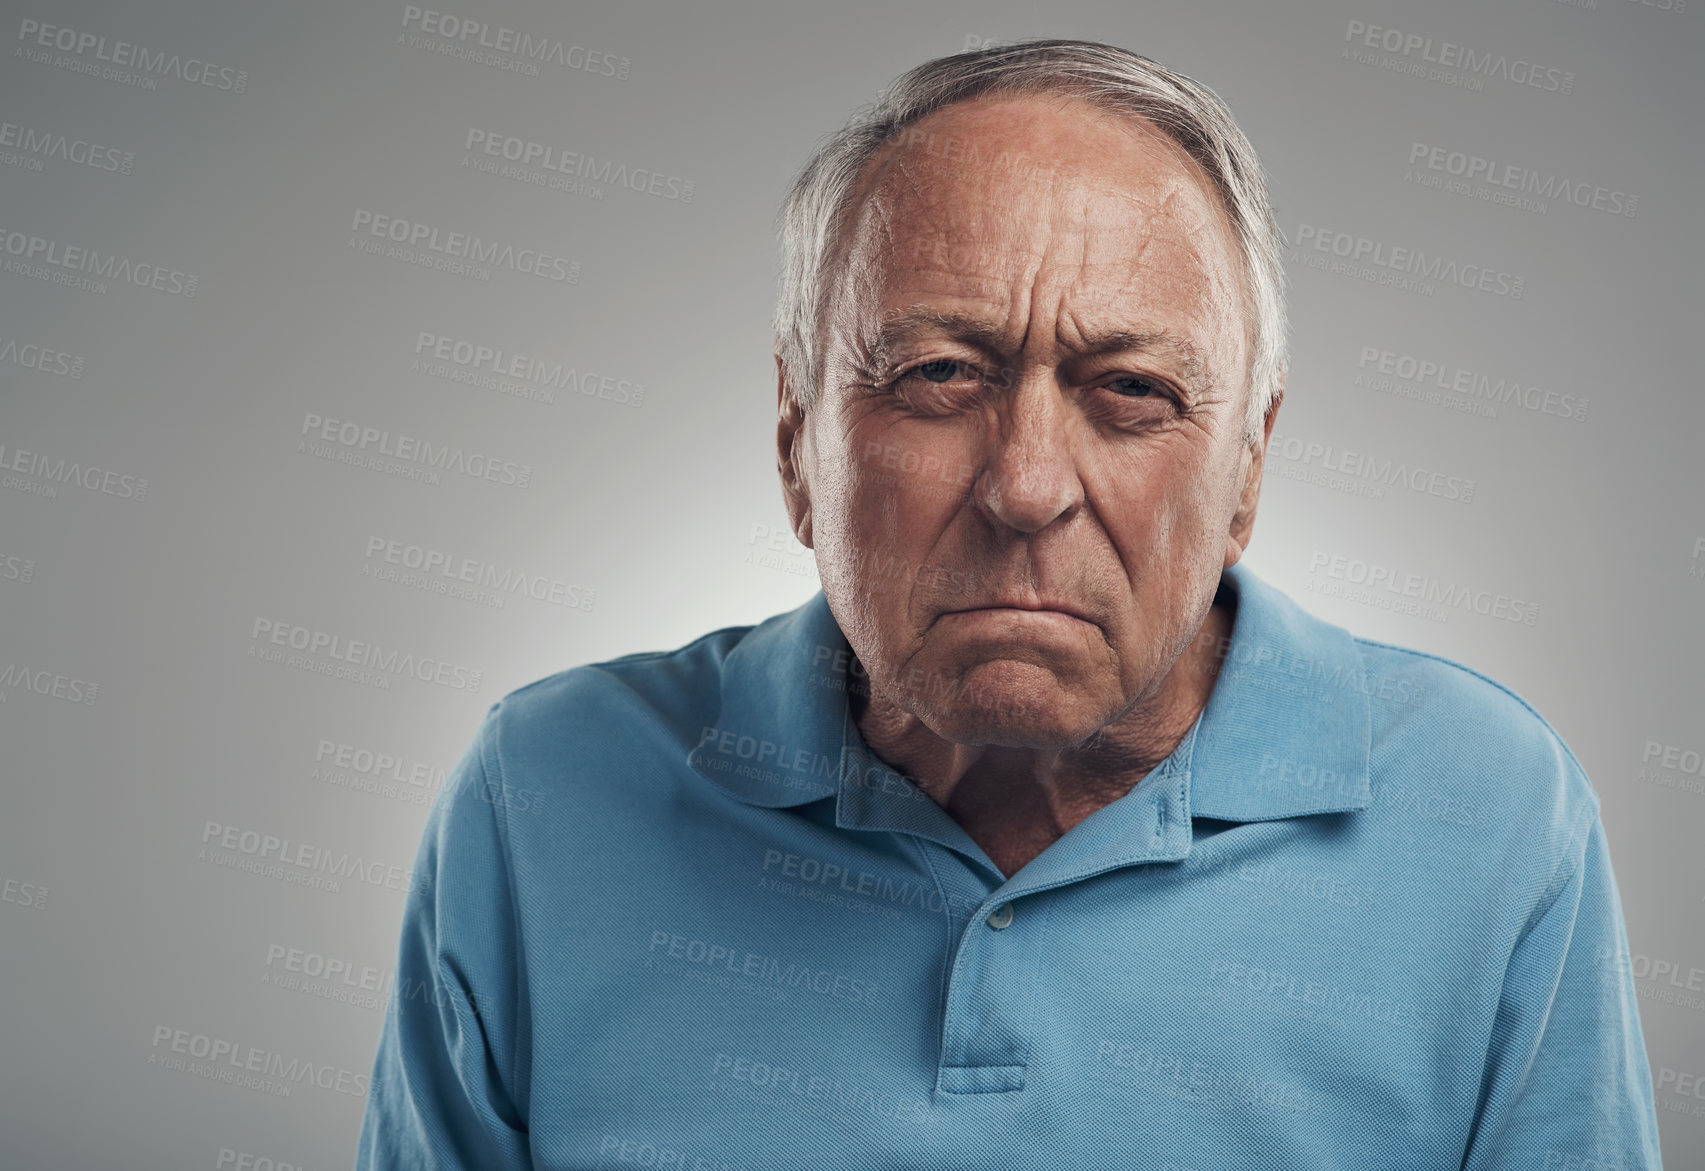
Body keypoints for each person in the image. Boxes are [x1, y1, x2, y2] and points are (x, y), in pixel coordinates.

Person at [355, 39, 1662, 1169]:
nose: (1026, 487)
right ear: (796, 441)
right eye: (936, 371)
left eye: (1131, 390)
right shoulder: (542, 794)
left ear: (1246, 470)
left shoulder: (1489, 814)